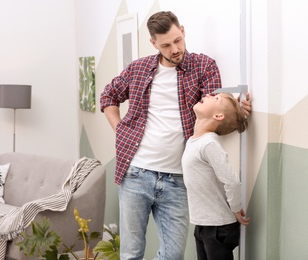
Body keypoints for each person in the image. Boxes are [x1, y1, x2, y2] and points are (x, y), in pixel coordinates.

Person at [100, 11, 251, 260]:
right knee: (131, 253)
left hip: (178, 181)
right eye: (166, 45)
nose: (174, 49)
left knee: (173, 255)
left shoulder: (204, 66)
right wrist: (120, 131)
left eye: (177, 40)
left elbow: (214, 109)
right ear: (153, 44)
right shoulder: (138, 69)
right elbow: (109, 96)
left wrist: (237, 107)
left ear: (182, 30)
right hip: (135, 173)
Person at [181, 93, 250, 260]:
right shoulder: (193, 141)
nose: (208, 94)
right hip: (203, 223)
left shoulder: (209, 144)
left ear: (218, 116)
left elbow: (232, 181)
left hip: (219, 226)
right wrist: (232, 100)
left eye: (216, 98)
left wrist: (235, 208)